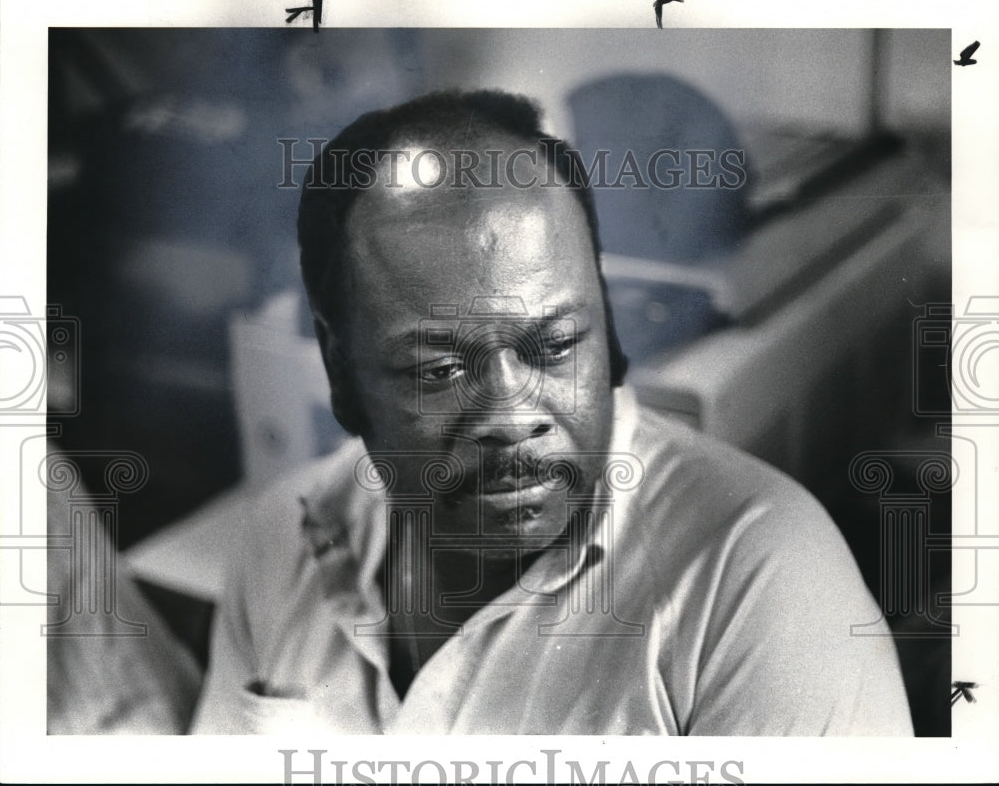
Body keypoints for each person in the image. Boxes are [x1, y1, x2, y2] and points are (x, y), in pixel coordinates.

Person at [192, 90, 913, 734]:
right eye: (438, 370)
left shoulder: (759, 581)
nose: (510, 415)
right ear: (339, 367)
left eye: (556, 344)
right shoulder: (279, 542)